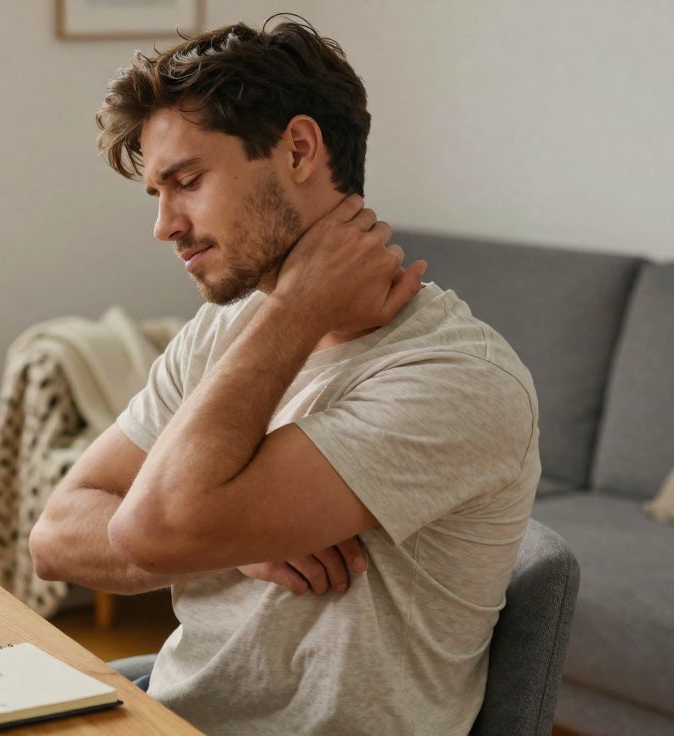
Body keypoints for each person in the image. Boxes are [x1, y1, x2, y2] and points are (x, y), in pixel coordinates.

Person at [28, 16, 540, 736]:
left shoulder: (455, 379)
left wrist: (298, 307)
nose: (165, 225)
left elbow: (152, 530)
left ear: (299, 149)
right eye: (157, 193)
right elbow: (54, 535)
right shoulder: (225, 328)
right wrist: (241, 546)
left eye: (188, 181)